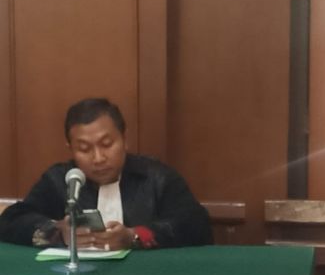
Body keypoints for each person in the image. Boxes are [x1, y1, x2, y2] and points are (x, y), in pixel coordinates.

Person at [0, 97, 212, 250]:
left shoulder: (156, 177)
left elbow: (195, 224)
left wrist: (133, 236)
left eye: (107, 144)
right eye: (84, 149)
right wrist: (57, 232)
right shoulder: (60, 180)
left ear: (124, 139)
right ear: (71, 149)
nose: (98, 158)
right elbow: (12, 221)